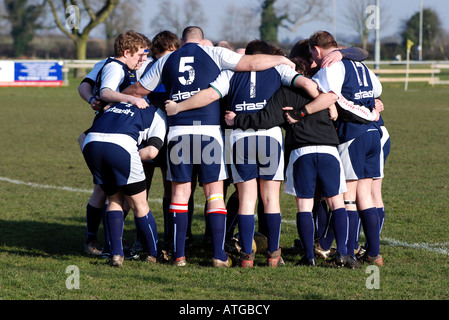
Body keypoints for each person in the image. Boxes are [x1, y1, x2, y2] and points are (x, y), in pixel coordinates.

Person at [122, 26, 298, 267]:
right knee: (214, 195)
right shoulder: (213, 53)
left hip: (178, 134)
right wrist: (280, 58)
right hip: (209, 134)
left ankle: (179, 256)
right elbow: (251, 64)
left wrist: (116, 96)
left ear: (182, 41)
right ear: (201, 40)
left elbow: (140, 90)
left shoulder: (166, 60)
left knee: (179, 196)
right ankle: (218, 255)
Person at [163, 39, 330, 268]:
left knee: (247, 199)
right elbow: (308, 86)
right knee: (271, 198)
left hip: (240, 139)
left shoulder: (231, 72)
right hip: (270, 137)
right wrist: (328, 104)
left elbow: (211, 95)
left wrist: (179, 107)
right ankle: (273, 254)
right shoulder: (278, 68)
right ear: (267, 55)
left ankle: (246, 258)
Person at [224, 57, 360, 268]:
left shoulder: (284, 93)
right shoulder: (325, 94)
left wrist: (238, 120)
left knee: (304, 206)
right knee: (336, 203)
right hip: (329, 151)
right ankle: (342, 253)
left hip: (301, 152)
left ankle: (309, 256)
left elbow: (265, 119)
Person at [308, 31, 384, 266]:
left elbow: (326, 95)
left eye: (312, 54)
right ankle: (374, 253)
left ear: (317, 50)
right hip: (374, 134)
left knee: (348, 198)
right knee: (366, 196)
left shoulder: (330, 66)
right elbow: (377, 91)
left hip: (353, 134)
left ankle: (348, 253)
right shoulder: (360, 65)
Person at [77, 30, 152, 257]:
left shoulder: (121, 66)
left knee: (110, 190)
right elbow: (106, 91)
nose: (144, 59)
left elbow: (84, 85)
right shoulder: (113, 66)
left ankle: (108, 244)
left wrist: (90, 98)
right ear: (126, 52)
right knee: (109, 191)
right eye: (141, 54)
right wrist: (129, 99)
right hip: (110, 131)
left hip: (111, 132)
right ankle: (97, 242)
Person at [82, 101, 167, 267]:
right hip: (121, 147)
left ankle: (116, 254)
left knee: (114, 199)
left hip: (91, 144)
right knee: (139, 204)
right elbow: (151, 152)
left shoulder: (117, 104)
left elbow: (83, 136)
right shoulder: (158, 113)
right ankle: (154, 253)